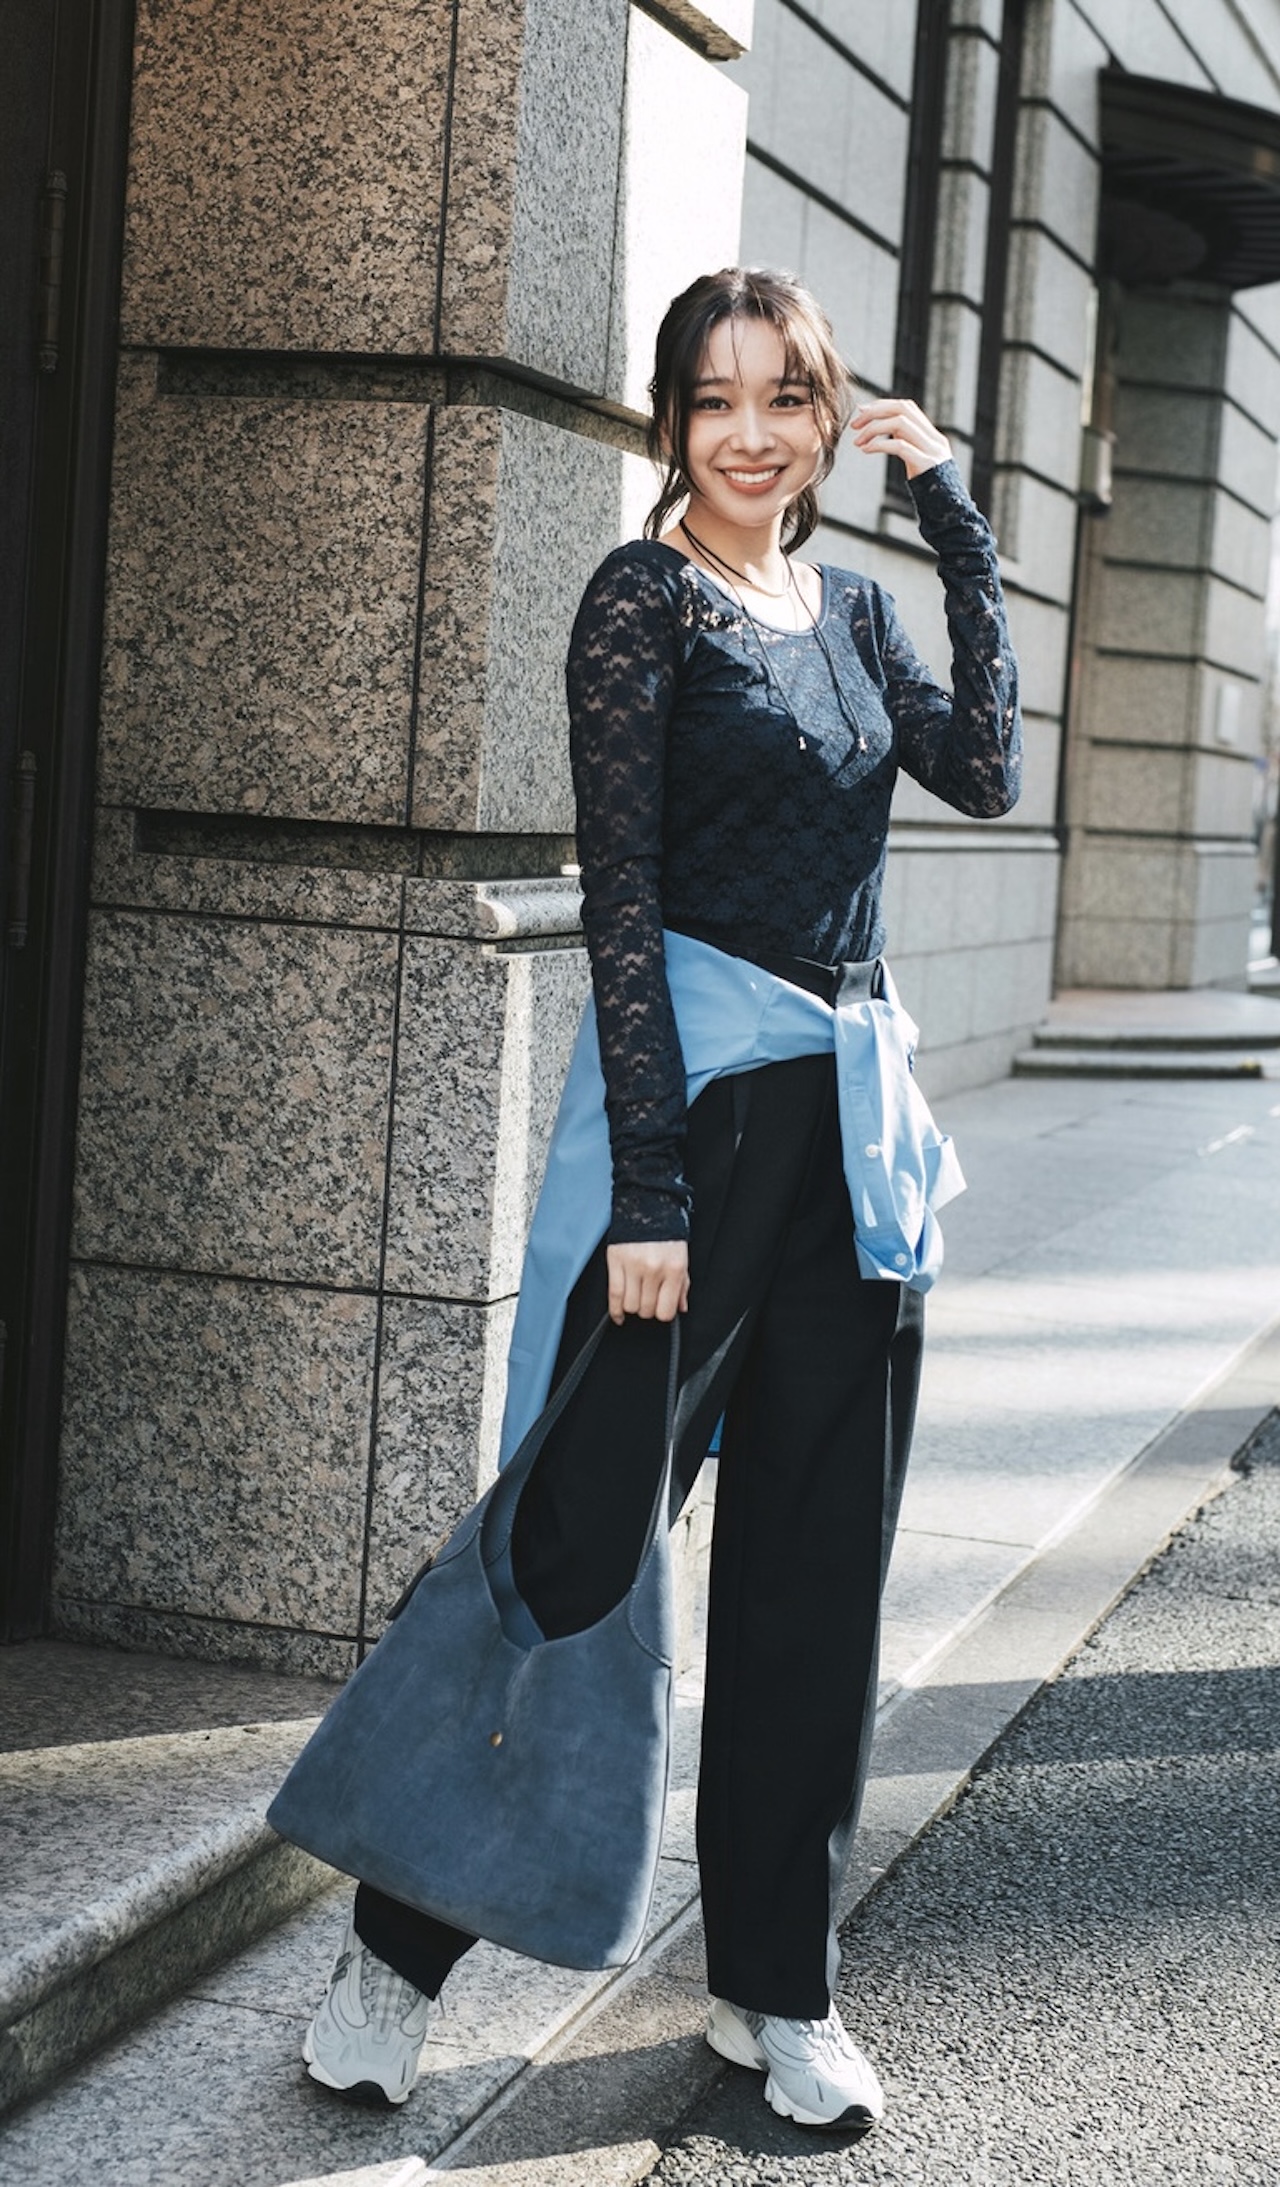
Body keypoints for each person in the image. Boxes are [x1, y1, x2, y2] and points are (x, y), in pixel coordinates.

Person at [299, 266, 1022, 2131]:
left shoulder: (855, 613)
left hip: (850, 1144)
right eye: (715, 401)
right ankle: (394, 1955)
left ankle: (775, 1989)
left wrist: (953, 514)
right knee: (575, 1543)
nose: (751, 437)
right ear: (671, 419)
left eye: (785, 399)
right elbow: (617, 901)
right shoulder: (643, 599)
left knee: (814, 1576)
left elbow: (984, 765)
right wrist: (648, 1193)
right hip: (695, 1128)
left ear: (829, 414)